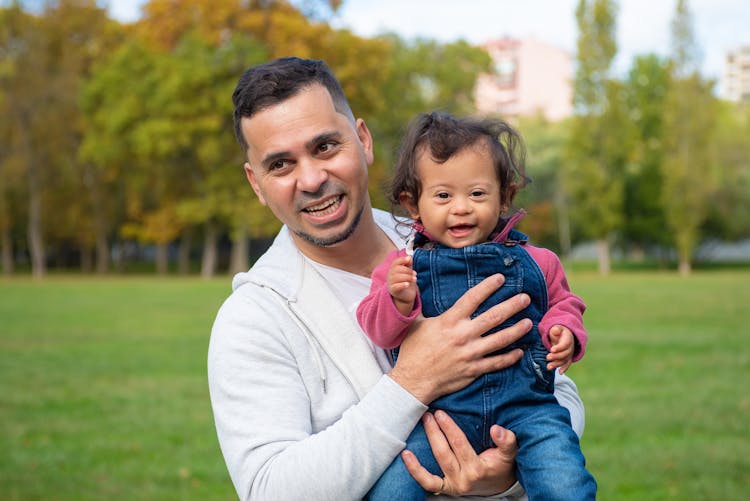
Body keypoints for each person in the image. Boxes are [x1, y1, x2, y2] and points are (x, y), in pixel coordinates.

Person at [207, 56, 586, 501]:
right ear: (256, 183)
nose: (311, 179)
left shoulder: (463, 239)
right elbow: (271, 490)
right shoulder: (253, 318)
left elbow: (560, 392)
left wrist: (506, 470)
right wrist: (412, 382)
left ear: (363, 141)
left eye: (326, 146)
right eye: (281, 165)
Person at [357, 112, 597, 500]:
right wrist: (396, 300)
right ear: (412, 204)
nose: (462, 208)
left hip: (528, 410)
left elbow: (564, 303)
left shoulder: (539, 261)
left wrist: (565, 330)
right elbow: (379, 332)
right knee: (392, 488)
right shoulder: (401, 267)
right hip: (439, 418)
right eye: (443, 195)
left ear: (504, 196)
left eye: (477, 194)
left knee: (565, 482)